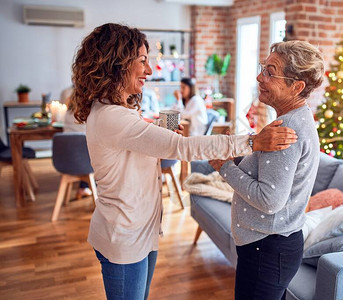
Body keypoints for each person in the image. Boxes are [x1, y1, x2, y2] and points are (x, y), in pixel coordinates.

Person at [71, 23, 298, 300]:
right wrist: (252, 141)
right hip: (124, 237)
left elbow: (134, 148)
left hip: (139, 231)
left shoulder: (116, 111)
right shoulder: (113, 117)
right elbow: (183, 146)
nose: (149, 70)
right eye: (142, 61)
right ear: (117, 63)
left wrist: (157, 134)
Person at [209, 40, 324, 300]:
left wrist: (224, 167)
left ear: (297, 86)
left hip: (267, 250)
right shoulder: (294, 119)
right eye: (263, 68)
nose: (260, 77)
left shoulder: (287, 130)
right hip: (271, 247)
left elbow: (269, 200)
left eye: (270, 72)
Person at [60, 86, 92, 199]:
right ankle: (86, 188)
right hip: (85, 162)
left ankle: (84, 187)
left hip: (65, 160)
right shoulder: (89, 116)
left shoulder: (66, 115)